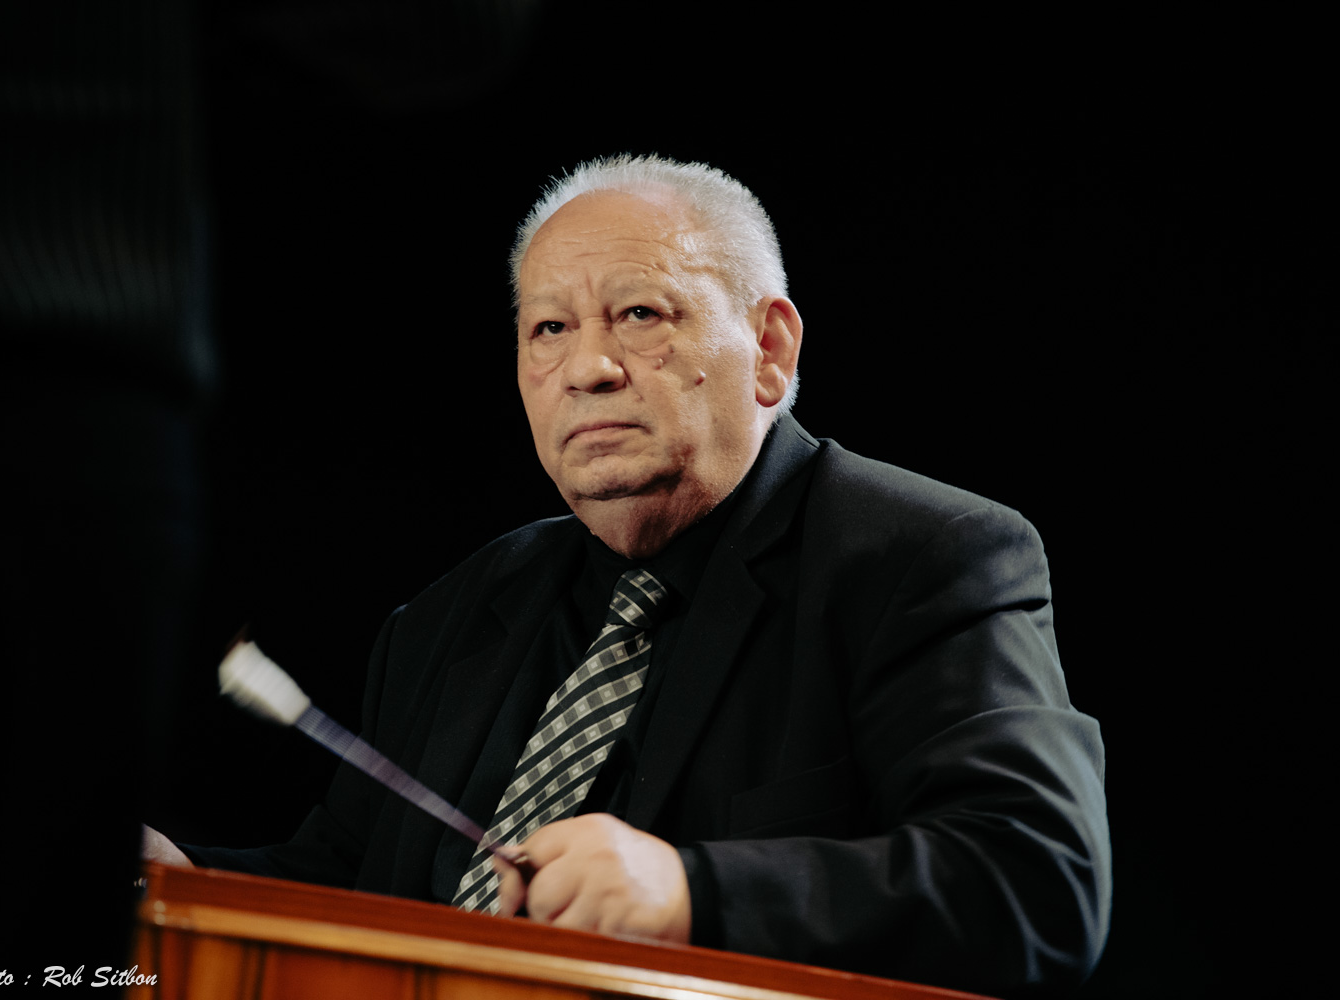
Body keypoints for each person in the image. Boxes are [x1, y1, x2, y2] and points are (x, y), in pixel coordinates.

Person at [148, 154, 1112, 997]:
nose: (588, 368)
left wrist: (692, 893)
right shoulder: (452, 615)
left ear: (769, 349)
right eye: (548, 329)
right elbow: (354, 881)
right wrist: (181, 878)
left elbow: (1039, 883)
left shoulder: (923, 558)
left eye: (640, 314)